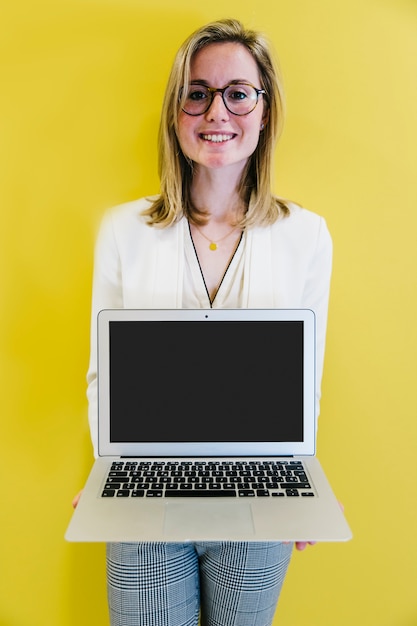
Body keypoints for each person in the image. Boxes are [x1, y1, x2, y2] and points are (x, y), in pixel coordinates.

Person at [73, 17, 332, 626]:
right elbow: (102, 375)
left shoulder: (306, 235)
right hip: (145, 486)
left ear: (264, 111)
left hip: (260, 491)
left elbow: (304, 382)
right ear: (176, 111)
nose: (217, 110)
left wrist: (304, 479)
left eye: (238, 92)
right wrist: (110, 467)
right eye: (197, 92)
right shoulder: (122, 228)